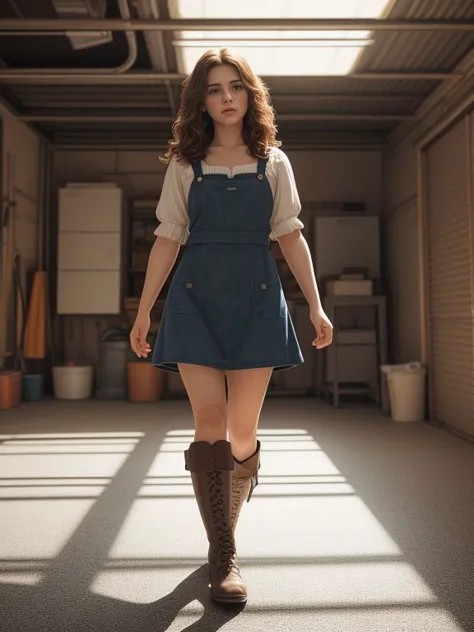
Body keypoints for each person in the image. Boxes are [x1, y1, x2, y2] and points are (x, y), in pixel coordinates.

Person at [130, 48, 333, 605]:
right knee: (210, 421)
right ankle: (224, 555)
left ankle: (230, 517)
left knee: (242, 433)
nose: (225, 98)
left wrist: (315, 305)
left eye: (234, 87)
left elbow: (290, 234)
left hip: (257, 298)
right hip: (194, 300)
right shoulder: (183, 164)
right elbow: (169, 237)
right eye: (214, 89)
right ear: (202, 99)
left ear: (250, 95)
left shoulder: (274, 163)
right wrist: (146, 308)